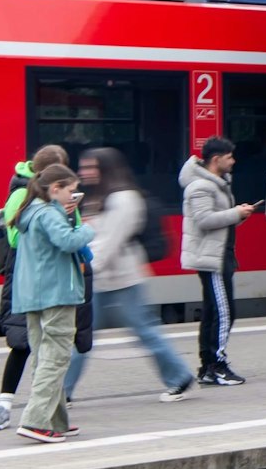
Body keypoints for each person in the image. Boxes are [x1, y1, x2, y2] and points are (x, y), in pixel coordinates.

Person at [63, 148, 195, 403]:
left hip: (123, 280)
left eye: (90, 167)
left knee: (143, 332)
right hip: (101, 281)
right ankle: (61, 391)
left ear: (106, 169)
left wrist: (84, 270)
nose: (83, 172)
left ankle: (179, 377)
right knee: (81, 336)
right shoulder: (94, 197)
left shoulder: (123, 199)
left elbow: (109, 242)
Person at [0, 144, 75, 430]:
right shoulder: (24, 197)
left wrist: (68, 213)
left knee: (48, 349)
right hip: (33, 279)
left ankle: (55, 418)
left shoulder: (51, 201)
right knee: (29, 346)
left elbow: (68, 229)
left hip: (47, 279)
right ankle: (13, 410)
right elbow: (20, 239)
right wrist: (66, 221)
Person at [13, 165, 99, 443]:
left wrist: (66, 214)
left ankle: (56, 420)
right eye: (70, 190)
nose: (73, 195)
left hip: (33, 294)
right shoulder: (48, 213)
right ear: (55, 189)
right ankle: (35, 420)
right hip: (56, 292)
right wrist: (87, 229)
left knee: (44, 358)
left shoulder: (31, 211)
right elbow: (67, 241)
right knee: (57, 357)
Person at [181, 137, 257, 386]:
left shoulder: (217, 184)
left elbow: (218, 221)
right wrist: (236, 213)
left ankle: (207, 367)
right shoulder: (201, 187)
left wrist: (239, 215)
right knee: (225, 312)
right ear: (216, 159)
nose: (233, 161)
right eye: (229, 157)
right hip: (213, 258)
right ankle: (217, 366)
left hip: (219, 254)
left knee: (212, 312)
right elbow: (204, 220)